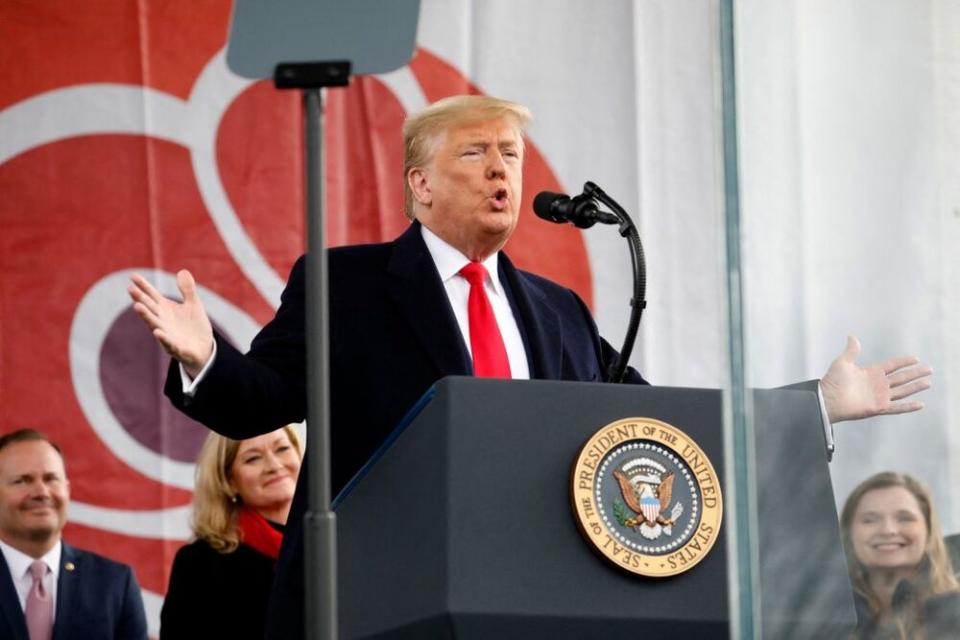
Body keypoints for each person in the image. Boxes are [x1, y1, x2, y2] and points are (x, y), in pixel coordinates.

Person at [128, 94, 933, 639]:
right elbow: (262, 397)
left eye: (510, 154)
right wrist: (205, 358)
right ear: (419, 186)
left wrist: (811, 407)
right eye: (475, 153)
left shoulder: (558, 309)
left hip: (538, 599)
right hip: (380, 605)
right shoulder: (347, 285)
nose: (500, 171)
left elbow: (665, 425)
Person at [0, 428, 147, 640]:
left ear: (67, 490)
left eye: (51, 479)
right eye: (22, 480)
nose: (41, 492)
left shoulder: (114, 583)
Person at [160, 425, 302, 639]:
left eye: (282, 449)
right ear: (229, 481)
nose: (274, 465)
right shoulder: (199, 563)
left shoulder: (334, 542)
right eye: (253, 458)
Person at [841, 471, 960, 639]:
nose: (888, 530)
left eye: (905, 518)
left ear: (929, 532)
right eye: (870, 520)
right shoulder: (817, 617)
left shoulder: (955, 612)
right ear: (849, 535)